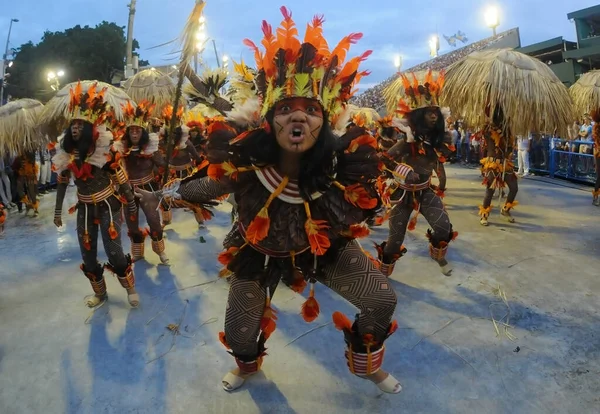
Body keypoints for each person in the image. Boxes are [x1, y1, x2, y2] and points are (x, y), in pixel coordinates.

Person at [137, 8, 401, 394]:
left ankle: (366, 364)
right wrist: (160, 197)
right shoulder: (248, 163)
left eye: (311, 110)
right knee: (238, 331)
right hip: (257, 250)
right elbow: (210, 188)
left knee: (381, 299)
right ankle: (247, 365)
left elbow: (368, 201)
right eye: (285, 109)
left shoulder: (338, 165)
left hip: (321, 249)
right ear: (269, 119)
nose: (298, 117)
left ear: (325, 122)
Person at [51, 82, 140, 308]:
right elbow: (62, 183)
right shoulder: (66, 155)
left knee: (114, 251)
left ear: (90, 128)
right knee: (87, 253)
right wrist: (57, 211)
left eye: (80, 125)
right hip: (84, 208)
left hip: (109, 205)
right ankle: (100, 294)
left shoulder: (104, 148)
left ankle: (130, 288)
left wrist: (130, 201)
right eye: (73, 125)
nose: (75, 128)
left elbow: (120, 176)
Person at [377, 71, 457, 277]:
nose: (433, 115)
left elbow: (437, 162)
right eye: (428, 112)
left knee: (443, 226)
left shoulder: (442, 140)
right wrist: (403, 170)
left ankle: (438, 255)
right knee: (395, 241)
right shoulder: (408, 141)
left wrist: (441, 179)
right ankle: (383, 275)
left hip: (425, 191)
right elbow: (384, 159)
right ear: (419, 116)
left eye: (435, 112)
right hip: (402, 195)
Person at [113, 100, 169, 264]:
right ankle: (138, 253)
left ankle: (160, 252)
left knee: (154, 222)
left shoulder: (151, 147)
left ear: (143, 132)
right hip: (128, 190)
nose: (135, 134)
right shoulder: (121, 149)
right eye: (132, 131)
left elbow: (163, 166)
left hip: (148, 188)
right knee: (131, 225)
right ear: (128, 134)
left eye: (138, 131)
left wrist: (164, 161)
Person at [478, 106, 519, 225]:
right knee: (490, 190)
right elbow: (485, 136)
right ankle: (484, 215)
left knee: (514, 188)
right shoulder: (488, 129)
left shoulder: (507, 131)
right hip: (492, 163)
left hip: (505, 164)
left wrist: (509, 148)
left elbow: (510, 146)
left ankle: (506, 210)